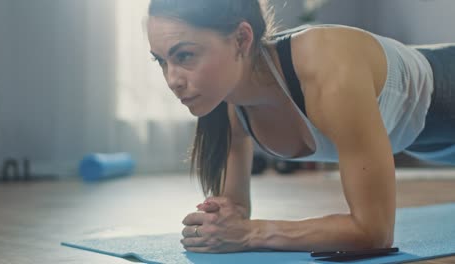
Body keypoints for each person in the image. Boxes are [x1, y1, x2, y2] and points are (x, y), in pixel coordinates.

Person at [146, 0, 455, 253]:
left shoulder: (328, 69)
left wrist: (251, 234)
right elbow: (235, 209)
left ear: (241, 39)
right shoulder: (225, 103)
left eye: (184, 55)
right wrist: (220, 224)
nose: (172, 80)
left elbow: (374, 232)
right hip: (427, 139)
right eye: (160, 61)